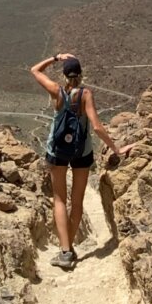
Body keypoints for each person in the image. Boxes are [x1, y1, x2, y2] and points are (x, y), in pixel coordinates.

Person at [29, 52, 135, 270]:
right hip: (82, 151)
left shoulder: (57, 91)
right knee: (77, 202)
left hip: (57, 151)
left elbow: (34, 70)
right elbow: (96, 126)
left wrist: (55, 57)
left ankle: (65, 251)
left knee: (59, 199)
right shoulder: (86, 94)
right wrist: (116, 148)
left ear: (64, 74)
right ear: (81, 74)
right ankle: (69, 247)